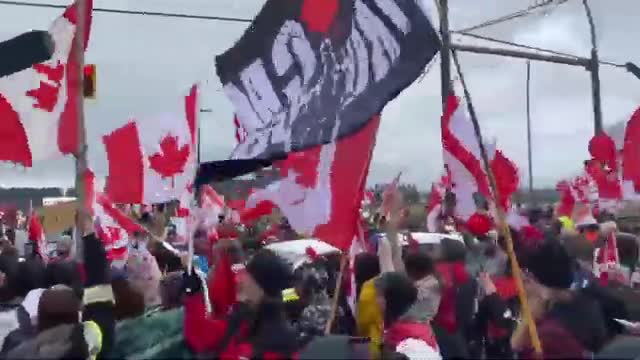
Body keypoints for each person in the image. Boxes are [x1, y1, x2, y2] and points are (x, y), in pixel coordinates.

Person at [183, 249, 300, 358]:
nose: (240, 279)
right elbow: (203, 337)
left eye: (248, 276)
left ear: (262, 287)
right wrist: (194, 293)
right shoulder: (244, 316)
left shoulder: (278, 341)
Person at [511, 241, 608, 358]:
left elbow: (515, 348)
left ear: (531, 278)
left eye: (522, 280)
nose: (519, 286)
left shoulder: (548, 331)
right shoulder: (591, 304)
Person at [376, 272, 441, 360]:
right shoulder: (397, 331)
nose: (376, 301)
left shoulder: (413, 345)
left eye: (379, 296)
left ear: (392, 299)